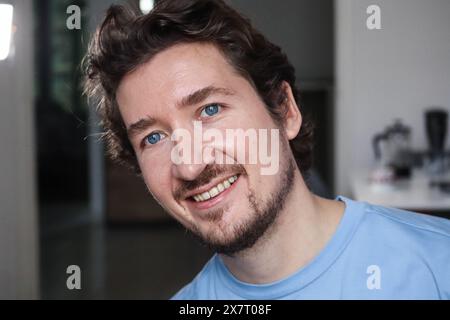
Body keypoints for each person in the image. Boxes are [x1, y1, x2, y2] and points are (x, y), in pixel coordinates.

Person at [84, 0, 450, 299]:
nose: (190, 166)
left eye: (210, 110)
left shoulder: (437, 266)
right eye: (153, 138)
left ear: (285, 110)